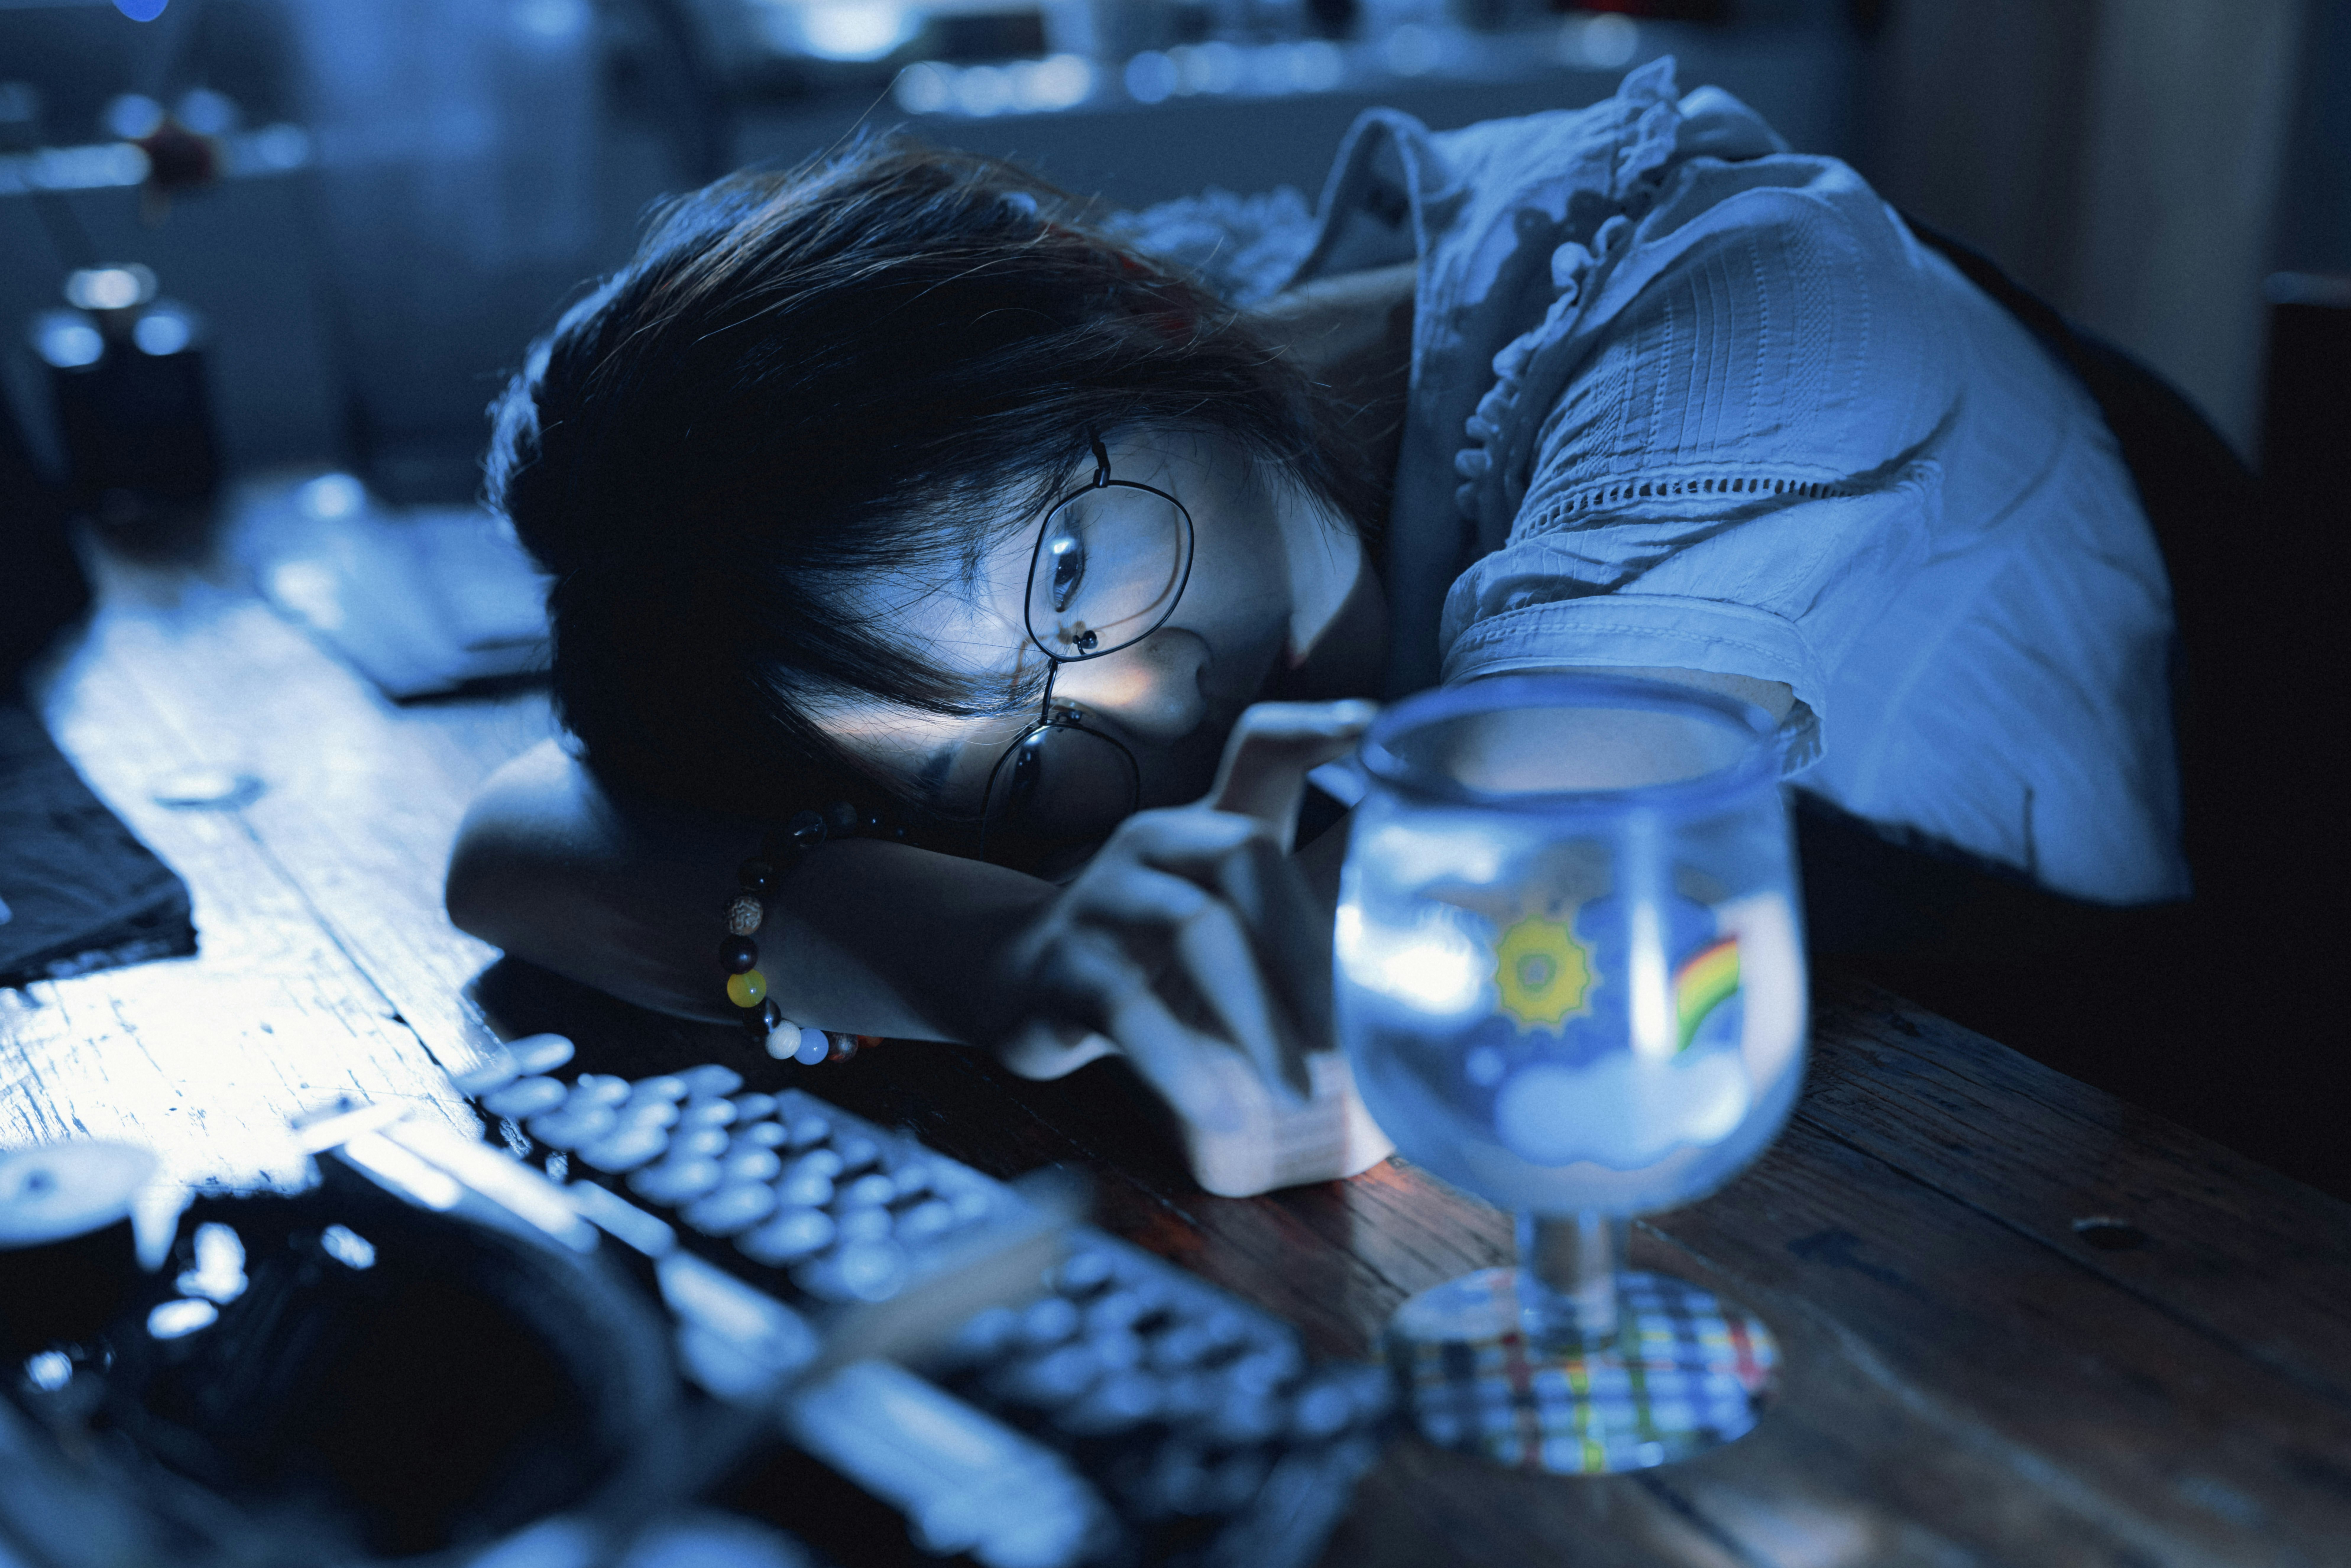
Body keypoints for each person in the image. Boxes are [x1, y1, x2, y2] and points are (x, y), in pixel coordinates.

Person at [446, 59, 2186, 1193]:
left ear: (1117, 299)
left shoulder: (1723, 327)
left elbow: (1440, 1002)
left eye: (1066, 575)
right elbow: (513, 838)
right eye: (1002, 760)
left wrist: (935, 932)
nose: (1139, 716)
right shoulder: (1188, 390)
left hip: (2162, 1185)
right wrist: (981, 949)